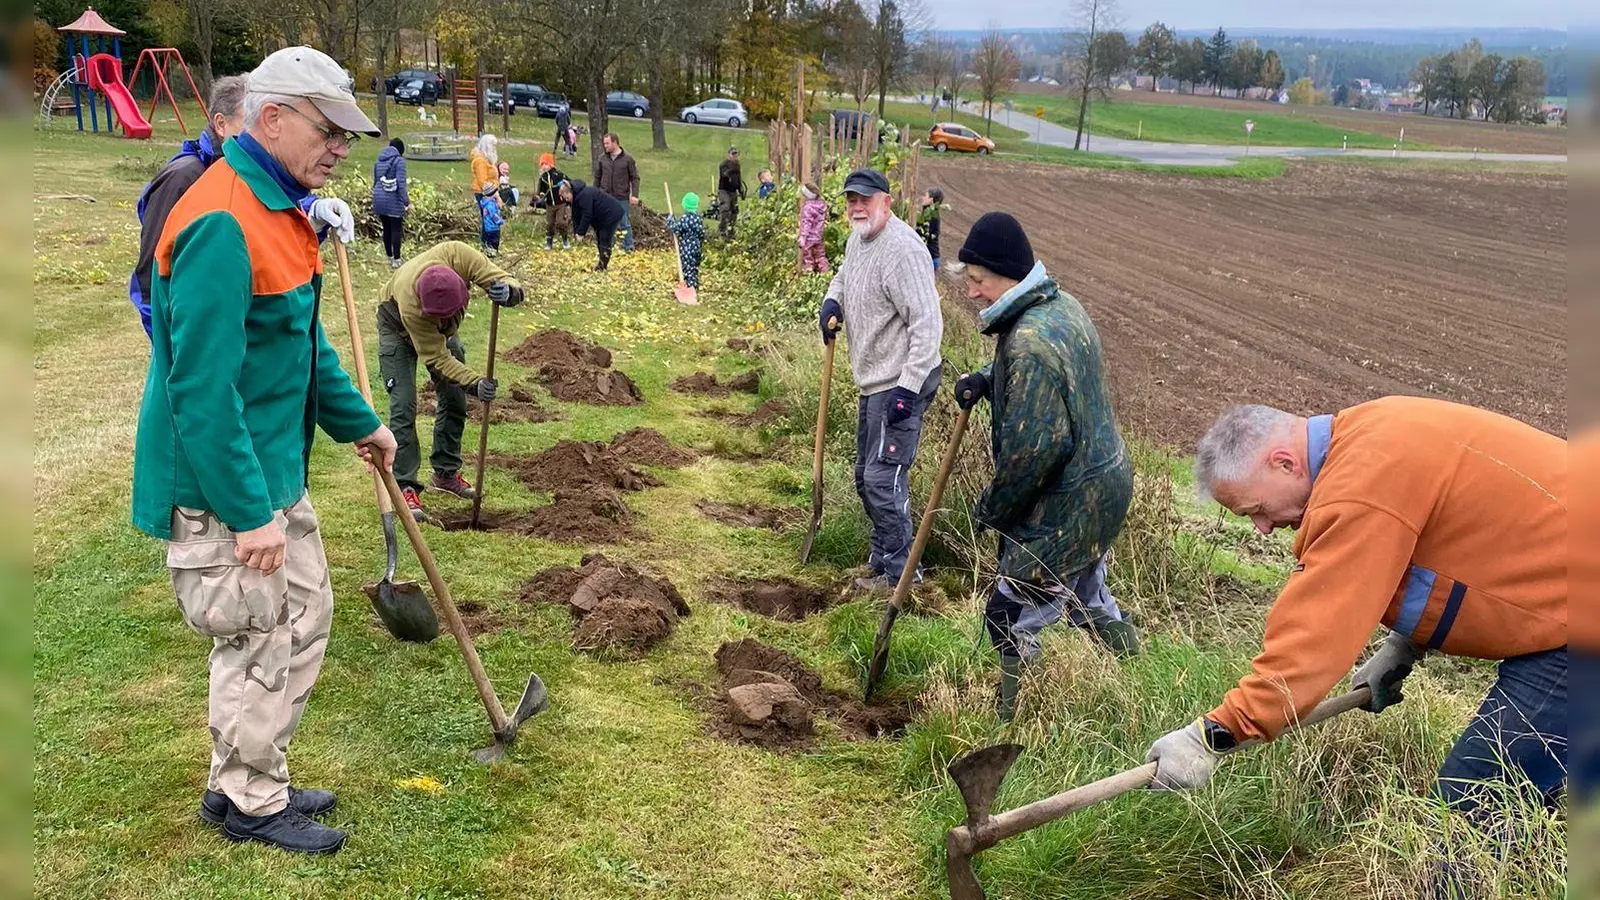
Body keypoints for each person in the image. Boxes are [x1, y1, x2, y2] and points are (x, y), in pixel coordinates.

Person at [131, 46, 394, 855]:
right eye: (330, 131)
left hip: (277, 464)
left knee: (304, 616)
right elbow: (201, 393)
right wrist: (247, 517)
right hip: (224, 482)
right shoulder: (220, 219)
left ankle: (242, 774)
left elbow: (301, 342)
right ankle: (251, 800)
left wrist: (361, 423)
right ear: (271, 119)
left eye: (347, 134)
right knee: (258, 633)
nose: (343, 149)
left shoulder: (280, 209)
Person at [1143, 399, 1566, 842]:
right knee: (1535, 806)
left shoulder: (1360, 483)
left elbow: (1314, 636)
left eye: (1256, 510)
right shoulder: (1373, 436)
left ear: (1284, 463)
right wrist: (1405, 645)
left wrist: (1213, 736)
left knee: (1469, 814)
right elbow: (1471, 545)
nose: (1263, 528)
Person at [951, 212, 1140, 722]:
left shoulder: (1029, 342)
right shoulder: (1061, 306)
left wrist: (992, 509)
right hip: (1105, 484)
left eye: (977, 281)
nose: (971, 292)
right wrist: (991, 379)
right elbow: (1053, 374)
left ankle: (1014, 720)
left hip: (1067, 500)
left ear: (1006, 274)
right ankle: (1139, 680)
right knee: (1085, 596)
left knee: (1007, 614)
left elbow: (1034, 452)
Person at [132, 75, 355, 337]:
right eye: (247, 122)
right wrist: (167, 342)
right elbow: (152, 277)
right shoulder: (184, 178)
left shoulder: (255, 179)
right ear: (220, 124)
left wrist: (312, 212)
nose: (256, 133)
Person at [818, 168, 944, 592]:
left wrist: (908, 389)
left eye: (865, 200)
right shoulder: (859, 238)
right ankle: (882, 561)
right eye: (852, 199)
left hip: (904, 379)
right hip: (875, 380)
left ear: (886, 203)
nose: (857, 207)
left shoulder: (903, 251)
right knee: (863, 476)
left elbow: (927, 325)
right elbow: (844, 274)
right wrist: (832, 300)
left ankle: (903, 578)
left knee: (882, 479)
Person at [376, 241, 524, 520]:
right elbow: (438, 358)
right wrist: (476, 382)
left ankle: (445, 473)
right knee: (404, 403)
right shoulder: (412, 305)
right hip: (394, 324)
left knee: (455, 397)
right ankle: (405, 485)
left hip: (439, 325)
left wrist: (510, 291)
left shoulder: (459, 255)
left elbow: (502, 277)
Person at [563, 179, 624, 271]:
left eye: (567, 198)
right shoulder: (576, 199)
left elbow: (586, 215)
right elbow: (576, 216)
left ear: (570, 192)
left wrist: (581, 233)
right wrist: (577, 232)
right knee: (599, 238)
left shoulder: (584, 195)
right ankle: (601, 264)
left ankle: (603, 266)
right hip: (600, 218)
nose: (567, 201)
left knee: (604, 238)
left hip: (611, 214)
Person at [593, 133, 640, 253]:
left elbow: (634, 177)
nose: (605, 146)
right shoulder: (602, 158)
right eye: (604, 143)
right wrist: (595, 194)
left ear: (615, 142)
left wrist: (634, 195)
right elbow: (597, 177)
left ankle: (628, 247)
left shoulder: (628, 159)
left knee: (624, 223)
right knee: (606, 223)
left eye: (607, 143)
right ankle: (607, 246)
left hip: (621, 197)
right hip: (605, 196)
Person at [372, 137, 410, 268]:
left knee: (386, 229)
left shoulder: (378, 161)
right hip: (393, 200)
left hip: (379, 199)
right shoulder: (399, 161)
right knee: (396, 230)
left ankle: (389, 256)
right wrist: (406, 202)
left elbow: (375, 182)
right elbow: (401, 183)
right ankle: (397, 260)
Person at [667, 192, 706, 290]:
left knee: (687, 268)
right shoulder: (698, 218)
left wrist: (670, 221)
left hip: (687, 248)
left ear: (685, 205)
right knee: (694, 268)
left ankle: (689, 288)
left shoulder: (685, 218)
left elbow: (676, 229)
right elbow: (702, 234)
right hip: (697, 248)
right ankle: (694, 285)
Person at [534, 152, 571, 251]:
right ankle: (549, 241)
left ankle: (565, 240)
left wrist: (563, 185)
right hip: (549, 205)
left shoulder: (559, 175)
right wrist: (540, 198)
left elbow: (569, 182)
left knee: (561, 222)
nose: (544, 167)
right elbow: (541, 190)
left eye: (546, 164)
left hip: (560, 203)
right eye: (542, 165)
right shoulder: (543, 178)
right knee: (549, 224)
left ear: (551, 164)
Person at [798, 182, 829, 274]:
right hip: (819, 236)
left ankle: (808, 274)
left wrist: (803, 237)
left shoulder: (808, 208)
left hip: (809, 238)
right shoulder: (821, 205)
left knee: (807, 257)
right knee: (820, 255)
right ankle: (825, 273)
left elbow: (806, 223)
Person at [716, 146, 746, 240]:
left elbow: (738, 177)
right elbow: (725, 175)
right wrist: (732, 169)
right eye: (733, 154)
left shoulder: (737, 165)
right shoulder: (724, 165)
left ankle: (731, 230)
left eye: (736, 154)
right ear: (728, 155)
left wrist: (741, 190)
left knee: (734, 210)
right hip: (724, 190)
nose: (734, 156)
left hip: (733, 190)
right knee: (726, 206)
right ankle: (722, 228)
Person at [916, 187, 943, 270]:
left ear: (931, 200)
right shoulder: (931, 213)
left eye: (925, 195)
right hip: (932, 257)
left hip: (929, 258)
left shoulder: (931, 215)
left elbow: (924, 237)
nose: (922, 198)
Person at [477, 183, 504, 255]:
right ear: (493, 194)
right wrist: (500, 221)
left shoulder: (486, 202)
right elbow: (493, 215)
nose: (498, 193)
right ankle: (492, 252)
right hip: (493, 226)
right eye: (497, 192)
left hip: (488, 226)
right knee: (494, 240)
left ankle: (489, 250)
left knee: (489, 239)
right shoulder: (490, 204)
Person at [469, 133, 497, 200]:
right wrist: (493, 193)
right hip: (484, 193)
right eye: (492, 145)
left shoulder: (487, 159)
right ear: (487, 146)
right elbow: (482, 181)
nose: (494, 148)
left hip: (491, 190)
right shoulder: (480, 161)